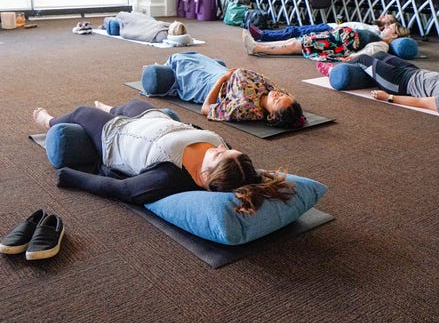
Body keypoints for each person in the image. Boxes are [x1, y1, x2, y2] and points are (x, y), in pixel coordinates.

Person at [32, 99, 295, 214]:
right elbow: (245, 175)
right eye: (228, 150)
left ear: (205, 177)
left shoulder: (169, 176)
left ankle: (49, 121)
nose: (222, 148)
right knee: (137, 103)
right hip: (153, 120)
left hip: (117, 136)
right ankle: (113, 107)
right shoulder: (229, 161)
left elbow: (122, 189)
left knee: (82, 112)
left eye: (218, 155)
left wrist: (69, 177)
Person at [142, 52, 306, 128]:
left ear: (271, 115)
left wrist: (222, 79)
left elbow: (206, 109)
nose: (278, 94)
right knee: (210, 59)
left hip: (205, 84)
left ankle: (161, 71)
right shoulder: (269, 91)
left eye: (277, 100)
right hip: (219, 71)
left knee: (177, 63)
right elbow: (285, 95)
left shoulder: (246, 109)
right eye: (282, 95)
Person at [243, 20, 410, 62]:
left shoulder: (381, 43)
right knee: (295, 40)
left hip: (335, 45)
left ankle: (257, 48)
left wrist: (354, 57)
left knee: (295, 45)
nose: (386, 27)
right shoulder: (375, 33)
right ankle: (259, 45)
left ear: (394, 35)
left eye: (390, 27)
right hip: (334, 38)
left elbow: (370, 51)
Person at [248, 14, 399, 42]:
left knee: (295, 31)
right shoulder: (373, 28)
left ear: (387, 25)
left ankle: (263, 35)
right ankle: (264, 35)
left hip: (331, 30)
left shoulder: (374, 32)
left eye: (387, 17)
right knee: (297, 30)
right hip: (332, 26)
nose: (383, 15)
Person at [103, 12, 190, 44]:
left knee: (114, 24)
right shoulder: (166, 26)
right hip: (147, 21)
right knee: (135, 16)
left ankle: (109, 20)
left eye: (175, 23)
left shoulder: (162, 34)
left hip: (138, 25)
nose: (174, 21)